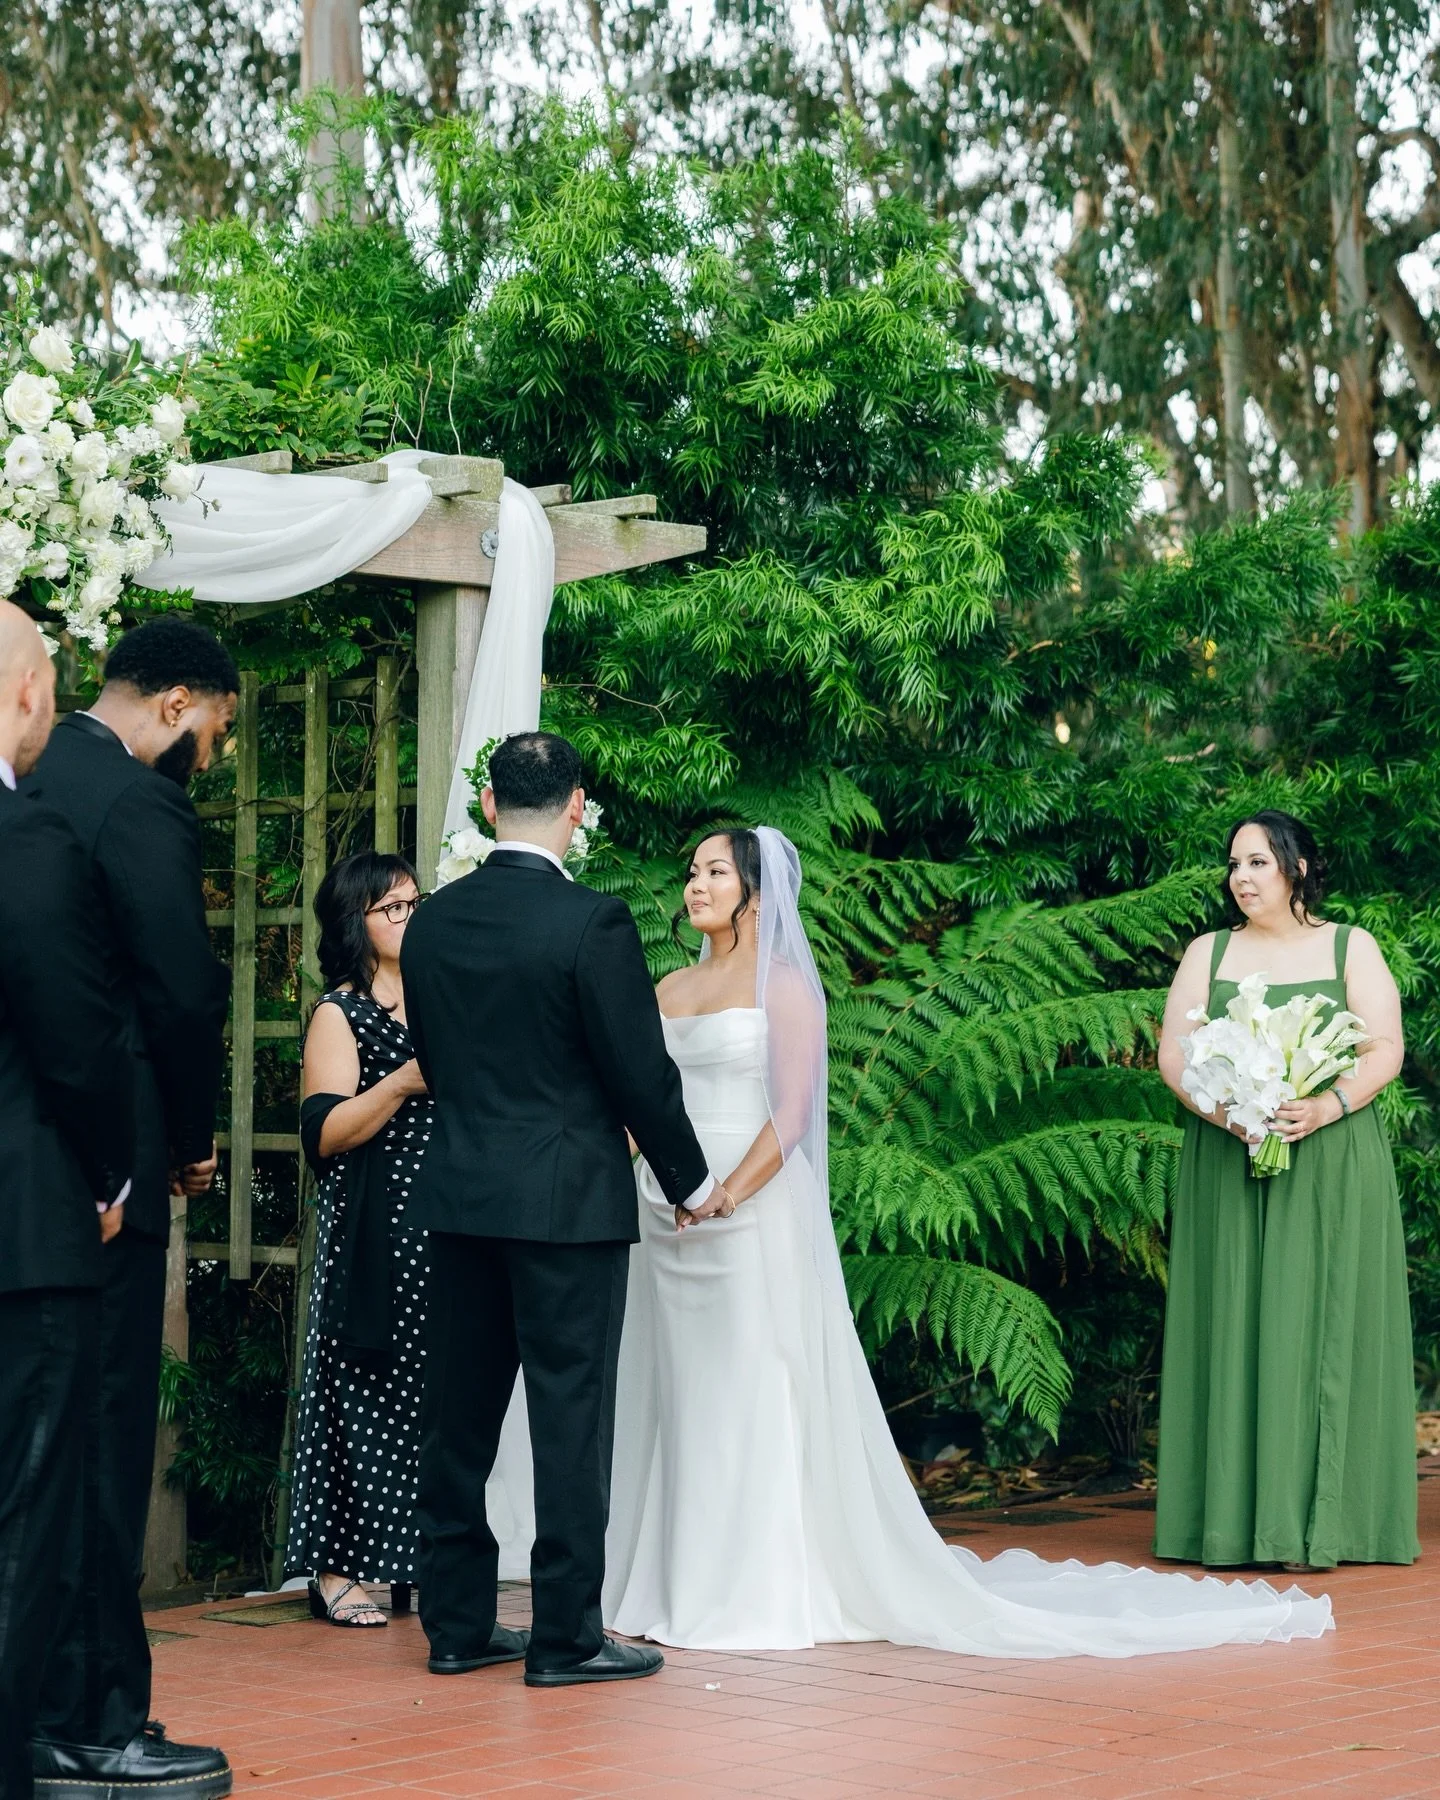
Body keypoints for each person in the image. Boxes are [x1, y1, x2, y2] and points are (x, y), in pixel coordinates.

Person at [601, 824, 1336, 1655]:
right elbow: (641, 1106)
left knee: (750, 1386)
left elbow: (792, 1114)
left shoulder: (785, 989)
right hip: (662, 1212)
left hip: (748, 1206)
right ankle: (672, 1579)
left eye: (714, 872)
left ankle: (753, 1587)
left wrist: (725, 1193)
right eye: (691, 872)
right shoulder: (664, 990)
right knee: (675, 1390)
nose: (695, 885)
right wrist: (649, 1179)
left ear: (758, 893)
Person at [400, 731, 728, 1687]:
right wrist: (691, 1180)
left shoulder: (433, 923)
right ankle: (567, 1639)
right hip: (568, 1207)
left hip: (459, 1197)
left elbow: (444, 1054)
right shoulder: (594, 923)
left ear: (492, 807)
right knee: (568, 1421)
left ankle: (457, 1627)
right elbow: (639, 1073)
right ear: (576, 807)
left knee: (457, 1420)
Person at [23, 616, 234, 1797]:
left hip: (24, 1169)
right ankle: (97, 1718)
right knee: (102, 1444)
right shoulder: (137, 803)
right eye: (215, 730)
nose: (213, 755)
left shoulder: (30, 777)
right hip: (103, 1166)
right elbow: (180, 990)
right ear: (178, 702)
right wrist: (191, 1139)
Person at [1154, 811, 1417, 1570]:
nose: (1241, 877)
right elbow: (1175, 1053)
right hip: (1227, 1155)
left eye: (1259, 862)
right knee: (1234, 1316)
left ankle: (1340, 1519)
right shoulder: (1208, 953)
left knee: (1327, 1322)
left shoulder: (1349, 947)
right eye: (1234, 864)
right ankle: (1235, 1521)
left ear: (1298, 867)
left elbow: (1385, 1047)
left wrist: (1326, 1104)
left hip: (1331, 1157)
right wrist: (1228, 1112)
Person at [0, 602, 134, 1800]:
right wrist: (111, 1172)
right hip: (24, 1230)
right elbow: (77, 1043)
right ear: (32, 691)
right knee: (22, 1516)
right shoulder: (23, 838)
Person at [286, 852, 432, 1627]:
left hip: (445, 1223)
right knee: (357, 1386)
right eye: (394, 907)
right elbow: (324, 1131)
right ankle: (337, 1569)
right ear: (358, 922)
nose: (411, 916)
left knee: (433, 1394)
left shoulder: (445, 998)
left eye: (416, 901)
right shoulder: (339, 1012)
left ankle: (421, 1560)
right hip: (372, 1228)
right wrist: (404, 1081)